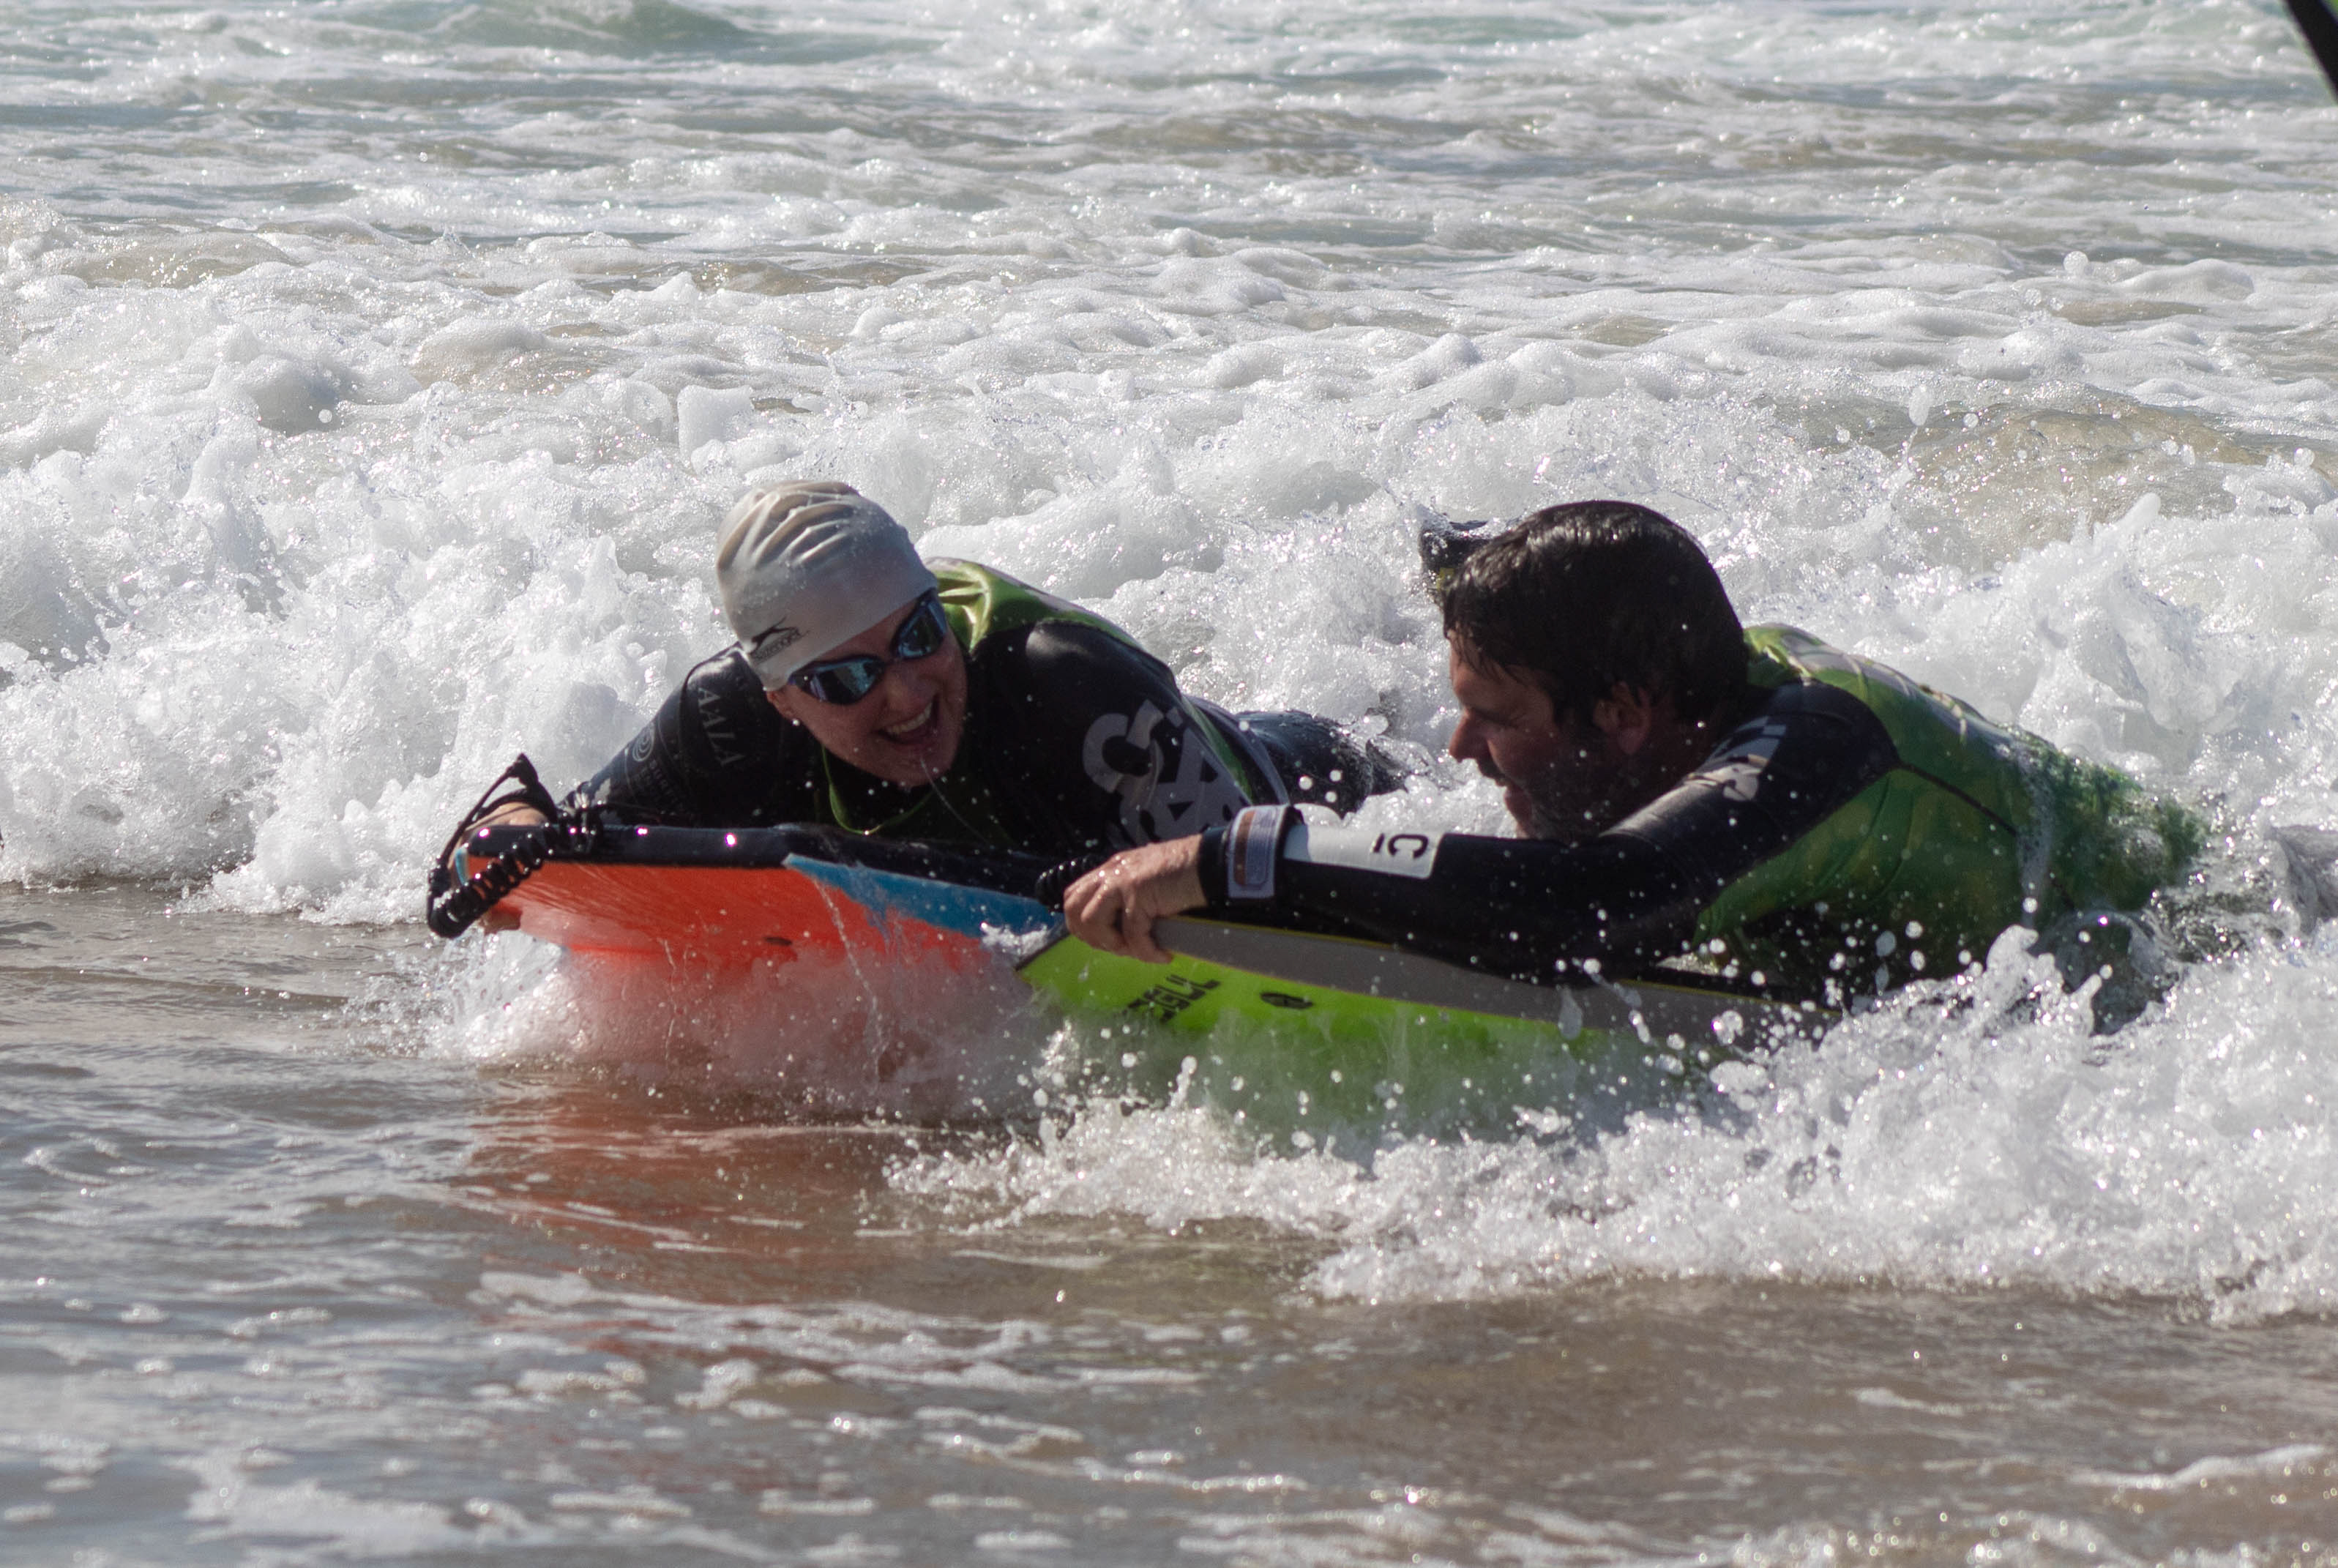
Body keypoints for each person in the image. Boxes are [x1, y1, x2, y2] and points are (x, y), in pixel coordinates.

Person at [1063, 500, 2204, 1002]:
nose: (1460, 746)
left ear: (1625, 711)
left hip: (2207, 946)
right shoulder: (1672, 668)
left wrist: (1247, 858)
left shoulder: (1806, 752)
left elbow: (1598, 902)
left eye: (1497, 715)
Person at [466, 480, 1399, 858]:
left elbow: (1262, 896)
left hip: (1307, 775)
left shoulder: (1074, 690)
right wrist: (509, 825)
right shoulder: (724, 719)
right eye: (846, 679)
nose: (907, 692)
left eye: (918, 636)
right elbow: (540, 842)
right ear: (783, 697)